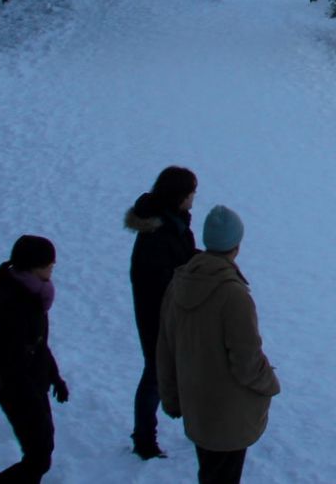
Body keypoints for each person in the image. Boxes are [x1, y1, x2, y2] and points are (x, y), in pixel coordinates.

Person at [158, 206, 281, 484]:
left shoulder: (179, 283)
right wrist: (270, 385)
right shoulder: (233, 295)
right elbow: (247, 360)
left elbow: (165, 347)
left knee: (210, 473)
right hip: (229, 413)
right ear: (236, 246)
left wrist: (172, 397)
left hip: (197, 407)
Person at [0, 234, 68, 483]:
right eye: (48, 263)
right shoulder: (16, 305)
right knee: (38, 456)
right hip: (18, 391)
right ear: (33, 267)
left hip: (32, 385)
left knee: (41, 451)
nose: (52, 267)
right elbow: (13, 363)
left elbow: (38, 345)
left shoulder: (32, 294)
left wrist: (54, 377)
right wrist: (31, 397)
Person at [126, 166, 199, 460]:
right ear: (179, 197)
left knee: (177, 373)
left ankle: (193, 425)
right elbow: (162, 281)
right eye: (191, 193)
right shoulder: (158, 234)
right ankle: (144, 439)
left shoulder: (173, 223)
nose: (194, 198)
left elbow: (182, 260)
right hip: (159, 320)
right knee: (155, 376)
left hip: (172, 317)